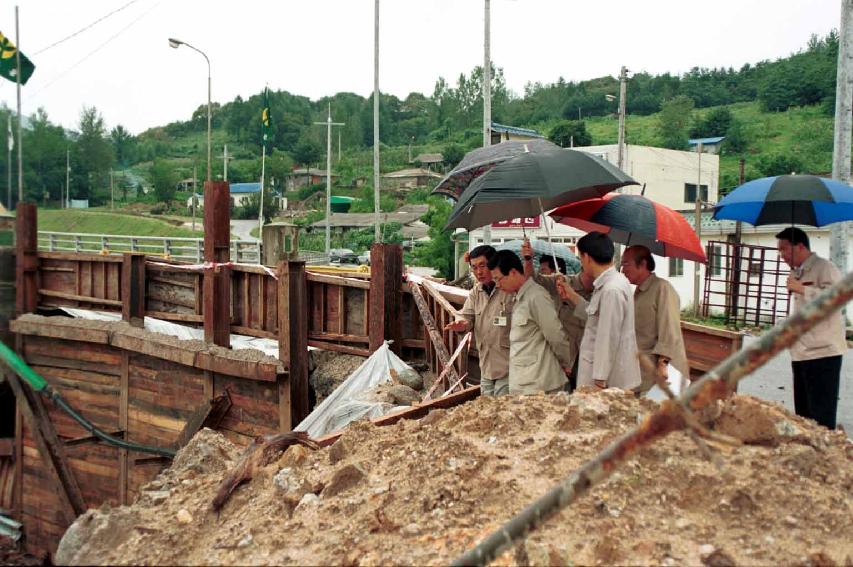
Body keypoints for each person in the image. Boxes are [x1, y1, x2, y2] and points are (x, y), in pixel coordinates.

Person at [776, 227, 847, 429]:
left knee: (821, 416)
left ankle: (827, 456)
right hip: (801, 352)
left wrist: (801, 289)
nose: (782, 256)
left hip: (822, 353)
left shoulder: (825, 268)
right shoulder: (797, 272)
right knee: (804, 416)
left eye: (784, 250)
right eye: (779, 251)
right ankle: (810, 456)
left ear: (800, 247)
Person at [561, 232, 641, 390]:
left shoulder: (611, 289)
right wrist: (571, 295)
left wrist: (599, 381)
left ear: (587, 257)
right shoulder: (608, 284)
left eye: (581, 257)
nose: (581, 263)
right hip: (600, 376)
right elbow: (596, 317)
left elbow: (608, 337)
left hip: (605, 382)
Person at [487, 250, 574, 394]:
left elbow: (556, 335)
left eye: (498, 279)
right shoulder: (519, 297)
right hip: (523, 383)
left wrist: (566, 363)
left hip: (540, 386)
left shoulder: (536, 296)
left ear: (513, 272)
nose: (497, 284)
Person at [521, 239, 593, 392]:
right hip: (561, 361)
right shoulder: (562, 282)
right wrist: (528, 259)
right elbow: (532, 280)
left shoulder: (604, 291)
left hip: (589, 364)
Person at [444, 245, 513, 396]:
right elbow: (466, 316)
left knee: (504, 411)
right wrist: (461, 324)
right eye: (474, 267)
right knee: (486, 411)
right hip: (487, 366)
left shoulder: (510, 289)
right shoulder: (476, 292)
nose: (479, 272)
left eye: (483, 265)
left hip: (511, 367)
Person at [619, 245, 689, 394]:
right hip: (641, 371)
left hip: (659, 374)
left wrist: (663, 363)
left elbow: (669, 329)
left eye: (626, 264)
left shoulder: (662, 289)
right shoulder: (638, 292)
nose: (623, 269)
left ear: (643, 264)